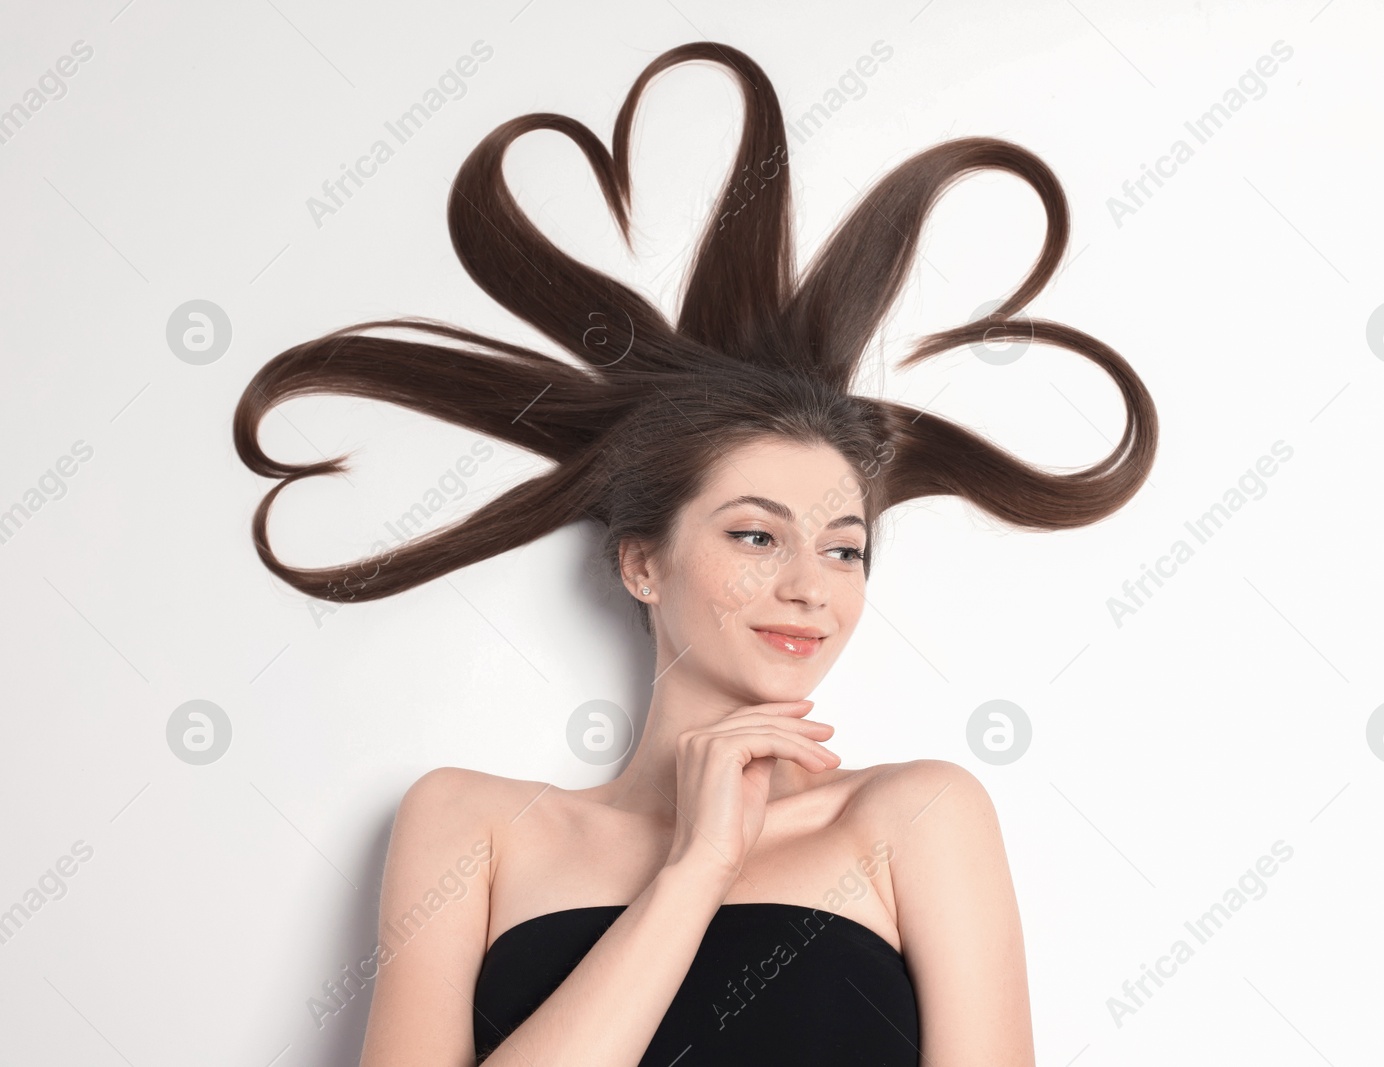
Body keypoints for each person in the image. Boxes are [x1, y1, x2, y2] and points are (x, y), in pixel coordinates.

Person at [233, 39, 1157, 1067]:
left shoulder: (917, 814)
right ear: (642, 564)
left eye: (845, 550)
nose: (810, 586)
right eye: (756, 535)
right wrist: (694, 867)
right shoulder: (469, 823)